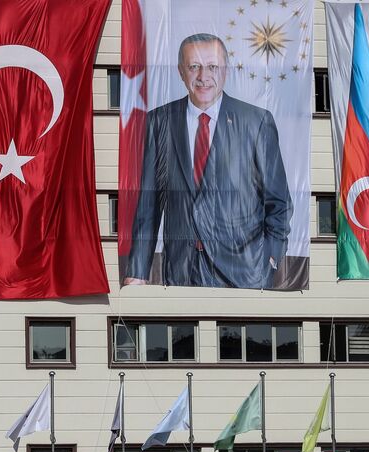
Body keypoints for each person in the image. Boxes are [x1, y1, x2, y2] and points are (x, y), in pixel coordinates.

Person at [125, 33, 292, 288]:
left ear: (225, 71)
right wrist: (138, 270)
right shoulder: (159, 122)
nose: (203, 76)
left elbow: (278, 201)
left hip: (244, 273)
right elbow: (149, 204)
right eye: (194, 67)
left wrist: (269, 257)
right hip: (181, 271)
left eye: (212, 66)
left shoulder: (256, 122)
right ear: (181, 71)